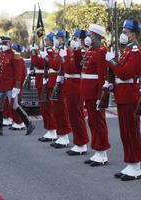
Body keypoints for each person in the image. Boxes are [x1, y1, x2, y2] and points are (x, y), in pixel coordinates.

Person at [105, 19, 141, 181]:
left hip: (130, 96)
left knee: (131, 132)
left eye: (125, 32)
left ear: (133, 35)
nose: (122, 34)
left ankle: (136, 166)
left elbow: (124, 73)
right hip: (123, 94)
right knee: (125, 132)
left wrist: (111, 61)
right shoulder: (127, 51)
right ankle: (130, 163)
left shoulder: (135, 52)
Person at [0, 36, 35, 137]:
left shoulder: (15, 55)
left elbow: (18, 72)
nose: (3, 46)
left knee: (15, 106)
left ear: (9, 43)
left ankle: (29, 123)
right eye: (2, 44)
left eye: (5, 44)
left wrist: (17, 86)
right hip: (1, 85)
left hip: (10, 85)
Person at [79, 24, 110, 166]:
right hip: (88, 91)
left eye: (91, 35)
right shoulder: (91, 50)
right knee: (92, 121)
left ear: (97, 36)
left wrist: (100, 97)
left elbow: (102, 76)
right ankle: (97, 150)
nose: (88, 37)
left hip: (94, 91)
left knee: (98, 121)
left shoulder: (101, 51)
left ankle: (102, 152)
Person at [59, 28, 89, 156]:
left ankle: (81, 143)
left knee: (77, 115)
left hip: (76, 86)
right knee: (72, 115)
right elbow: (67, 68)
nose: (74, 40)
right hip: (70, 85)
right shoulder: (74, 52)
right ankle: (78, 142)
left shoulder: (83, 52)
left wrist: (65, 58)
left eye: (76, 38)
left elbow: (74, 68)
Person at [39, 32, 72, 149]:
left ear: (63, 39)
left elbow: (56, 65)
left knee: (61, 111)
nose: (56, 40)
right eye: (56, 38)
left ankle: (65, 136)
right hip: (55, 81)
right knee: (57, 111)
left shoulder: (66, 50)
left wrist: (46, 57)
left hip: (61, 83)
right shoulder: (59, 50)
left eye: (58, 38)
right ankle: (61, 134)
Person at [32, 32, 58, 142]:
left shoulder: (50, 52)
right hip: (41, 80)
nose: (45, 41)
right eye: (45, 40)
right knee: (44, 107)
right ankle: (49, 129)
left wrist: (34, 52)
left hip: (45, 81)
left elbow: (38, 63)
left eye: (47, 40)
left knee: (48, 107)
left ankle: (52, 129)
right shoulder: (46, 52)